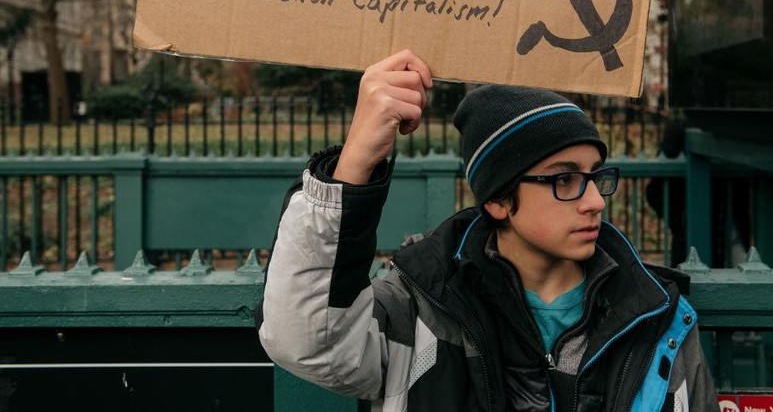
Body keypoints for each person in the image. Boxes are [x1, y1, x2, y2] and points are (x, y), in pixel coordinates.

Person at [258, 50, 719, 411]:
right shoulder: (423, 309)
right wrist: (356, 159)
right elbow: (308, 340)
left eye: (596, 175)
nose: (596, 199)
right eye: (564, 179)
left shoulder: (657, 317)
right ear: (498, 201)